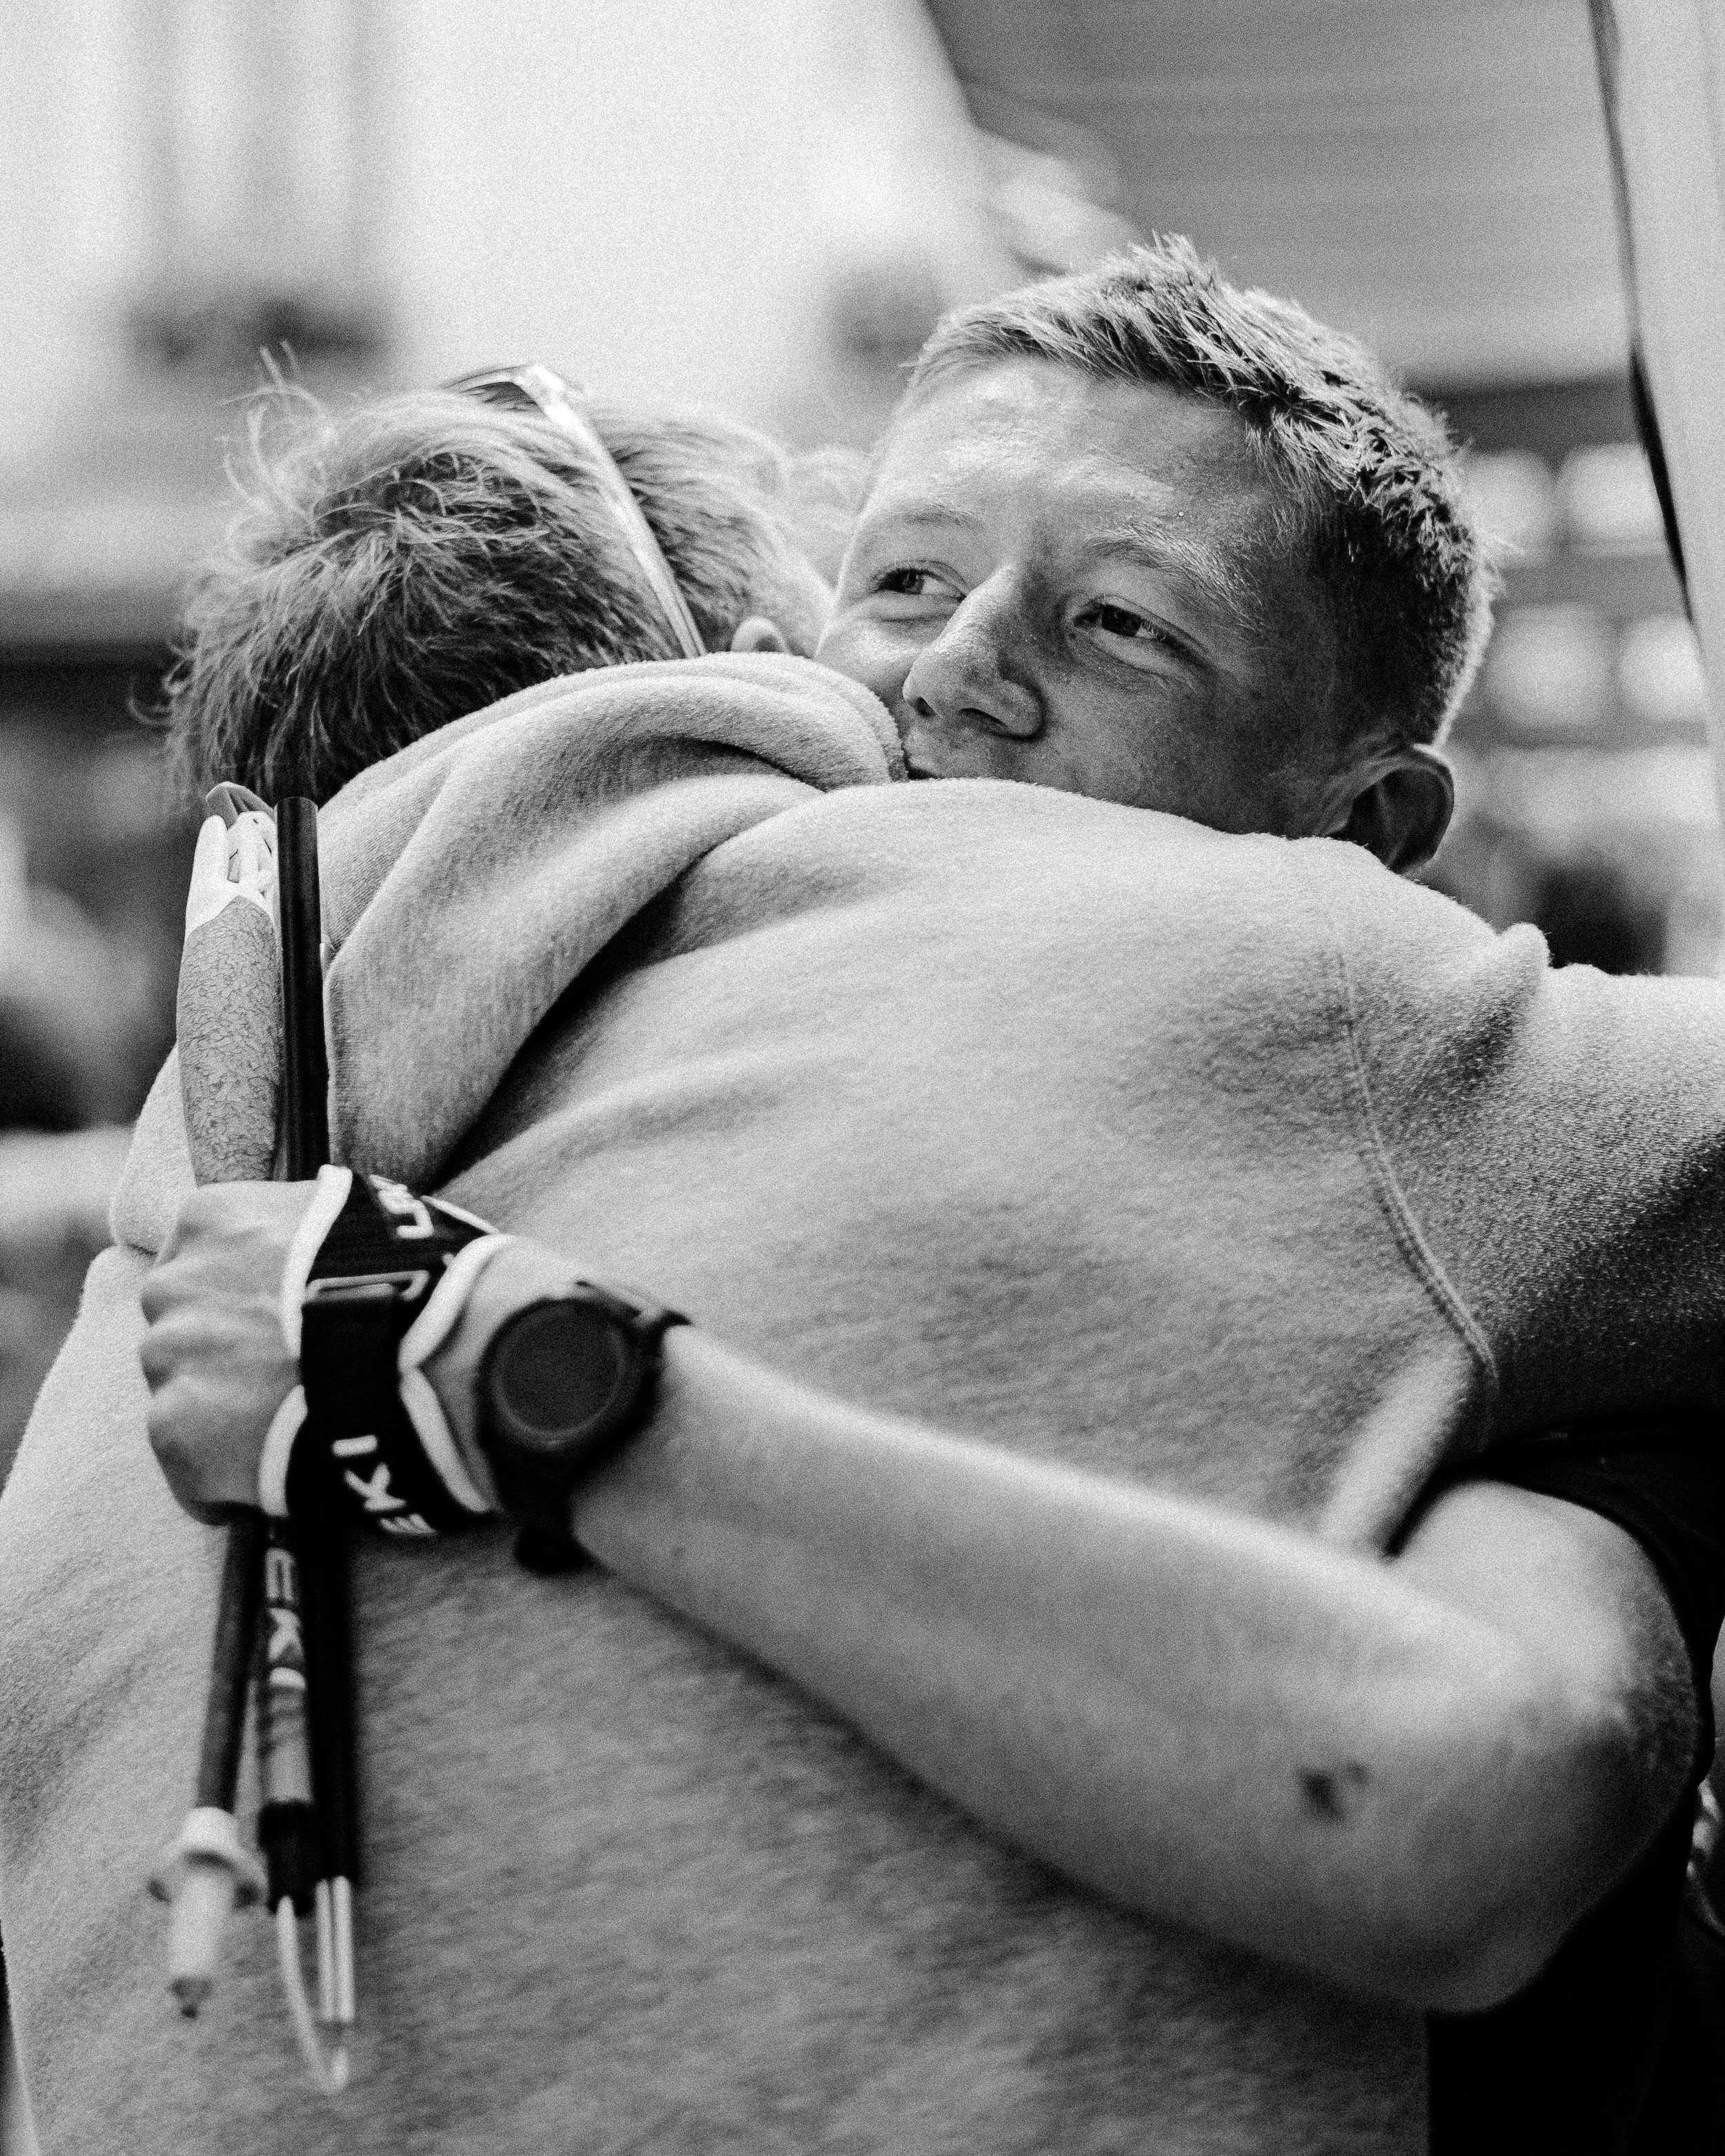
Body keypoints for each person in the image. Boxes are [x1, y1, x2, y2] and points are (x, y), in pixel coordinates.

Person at [5, 242, 1723, 2156]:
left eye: (1118, 627)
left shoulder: (199, 1155)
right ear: (759, 655)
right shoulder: (1284, 985)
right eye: (899, 580)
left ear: (1367, 829)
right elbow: (1476, 1798)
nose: (954, 670)